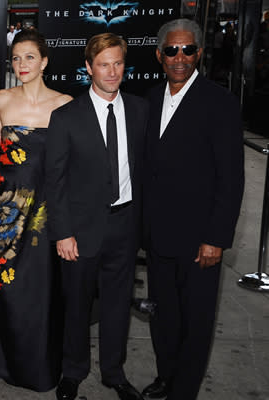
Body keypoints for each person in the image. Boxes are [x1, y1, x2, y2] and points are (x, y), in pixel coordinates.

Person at [141, 19, 244, 400]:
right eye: (171, 50)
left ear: (199, 53)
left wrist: (216, 238)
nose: (179, 57)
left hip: (200, 240)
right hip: (157, 236)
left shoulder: (220, 103)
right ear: (159, 55)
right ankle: (166, 376)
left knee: (196, 321)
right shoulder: (149, 99)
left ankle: (184, 390)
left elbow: (231, 180)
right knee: (163, 316)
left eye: (188, 50)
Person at [44, 33, 148, 400]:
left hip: (126, 223)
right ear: (88, 68)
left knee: (118, 305)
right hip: (80, 229)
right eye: (103, 64)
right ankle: (72, 371)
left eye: (118, 63)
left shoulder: (140, 111)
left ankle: (114, 373)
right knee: (76, 304)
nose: (112, 71)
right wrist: (62, 233)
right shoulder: (65, 117)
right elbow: (53, 181)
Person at [0, 29, 71, 392]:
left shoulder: (66, 103)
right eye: (16, 58)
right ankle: (6, 365)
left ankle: (40, 370)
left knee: (41, 291)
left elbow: (73, 163)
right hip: (2, 208)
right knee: (6, 289)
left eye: (30, 57)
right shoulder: (2, 98)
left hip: (44, 212)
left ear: (45, 61)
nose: (21, 65)